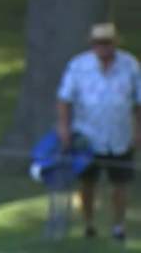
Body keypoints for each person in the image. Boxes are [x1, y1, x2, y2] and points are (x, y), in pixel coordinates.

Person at [56, 22, 141, 242]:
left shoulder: (130, 65)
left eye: (106, 43)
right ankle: (89, 224)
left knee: (120, 184)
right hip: (88, 136)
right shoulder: (78, 65)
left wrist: (138, 129)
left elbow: (138, 101)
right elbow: (64, 98)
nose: (102, 47)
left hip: (119, 136)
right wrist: (64, 128)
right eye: (98, 43)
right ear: (92, 44)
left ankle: (119, 226)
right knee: (87, 183)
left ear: (114, 43)